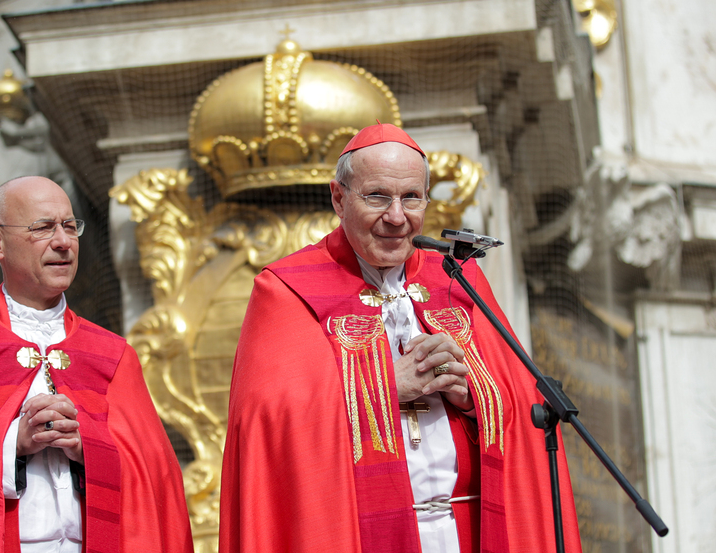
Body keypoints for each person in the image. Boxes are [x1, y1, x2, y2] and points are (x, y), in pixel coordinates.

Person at [219, 123, 582, 552]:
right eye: (377, 196)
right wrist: (384, 387)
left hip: (468, 530)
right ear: (339, 198)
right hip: (358, 536)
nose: (396, 217)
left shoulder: (456, 279)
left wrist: (472, 393)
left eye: (411, 197)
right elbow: (268, 428)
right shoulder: (287, 289)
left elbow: (524, 402)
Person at [0, 176, 193, 553]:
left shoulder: (114, 355)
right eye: (43, 227)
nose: (63, 242)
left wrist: (88, 445)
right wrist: (14, 441)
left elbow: (157, 477)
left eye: (70, 226)